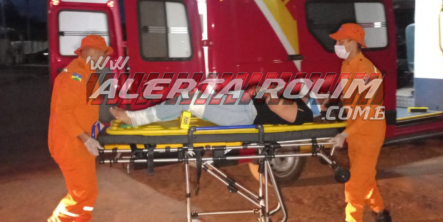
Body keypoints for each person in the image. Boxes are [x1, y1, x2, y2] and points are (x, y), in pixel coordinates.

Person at [36, 35, 112, 222]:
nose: (105, 59)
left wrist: (109, 122)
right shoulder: (72, 77)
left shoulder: (90, 75)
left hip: (82, 143)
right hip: (70, 143)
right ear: (89, 51)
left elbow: (91, 110)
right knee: (80, 193)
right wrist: (86, 139)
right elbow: (64, 113)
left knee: (89, 192)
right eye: (102, 53)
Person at [324, 23, 397, 222]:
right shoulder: (347, 64)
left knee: (353, 184)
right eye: (337, 41)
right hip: (356, 132)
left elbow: (370, 111)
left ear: (355, 43)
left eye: (341, 41)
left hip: (368, 133)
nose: (337, 45)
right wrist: (328, 103)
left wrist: (345, 134)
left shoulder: (368, 71)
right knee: (365, 181)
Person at [110, 87, 313, 127]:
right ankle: (136, 117)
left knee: (188, 100)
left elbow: (275, 105)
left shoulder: (304, 114)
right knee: (190, 97)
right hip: (244, 105)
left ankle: (136, 118)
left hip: (244, 115)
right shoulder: (303, 104)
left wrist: (267, 90)